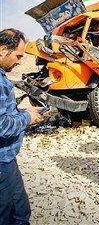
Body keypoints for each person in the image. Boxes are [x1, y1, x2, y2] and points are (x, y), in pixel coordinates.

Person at [0, 28, 47, 224]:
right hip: (2, 161)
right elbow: (2, 126)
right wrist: (27, 117)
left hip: (7, 159)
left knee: (20, 212)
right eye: (18, 56)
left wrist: (24, 114)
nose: (20, 61)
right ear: (3, 50)